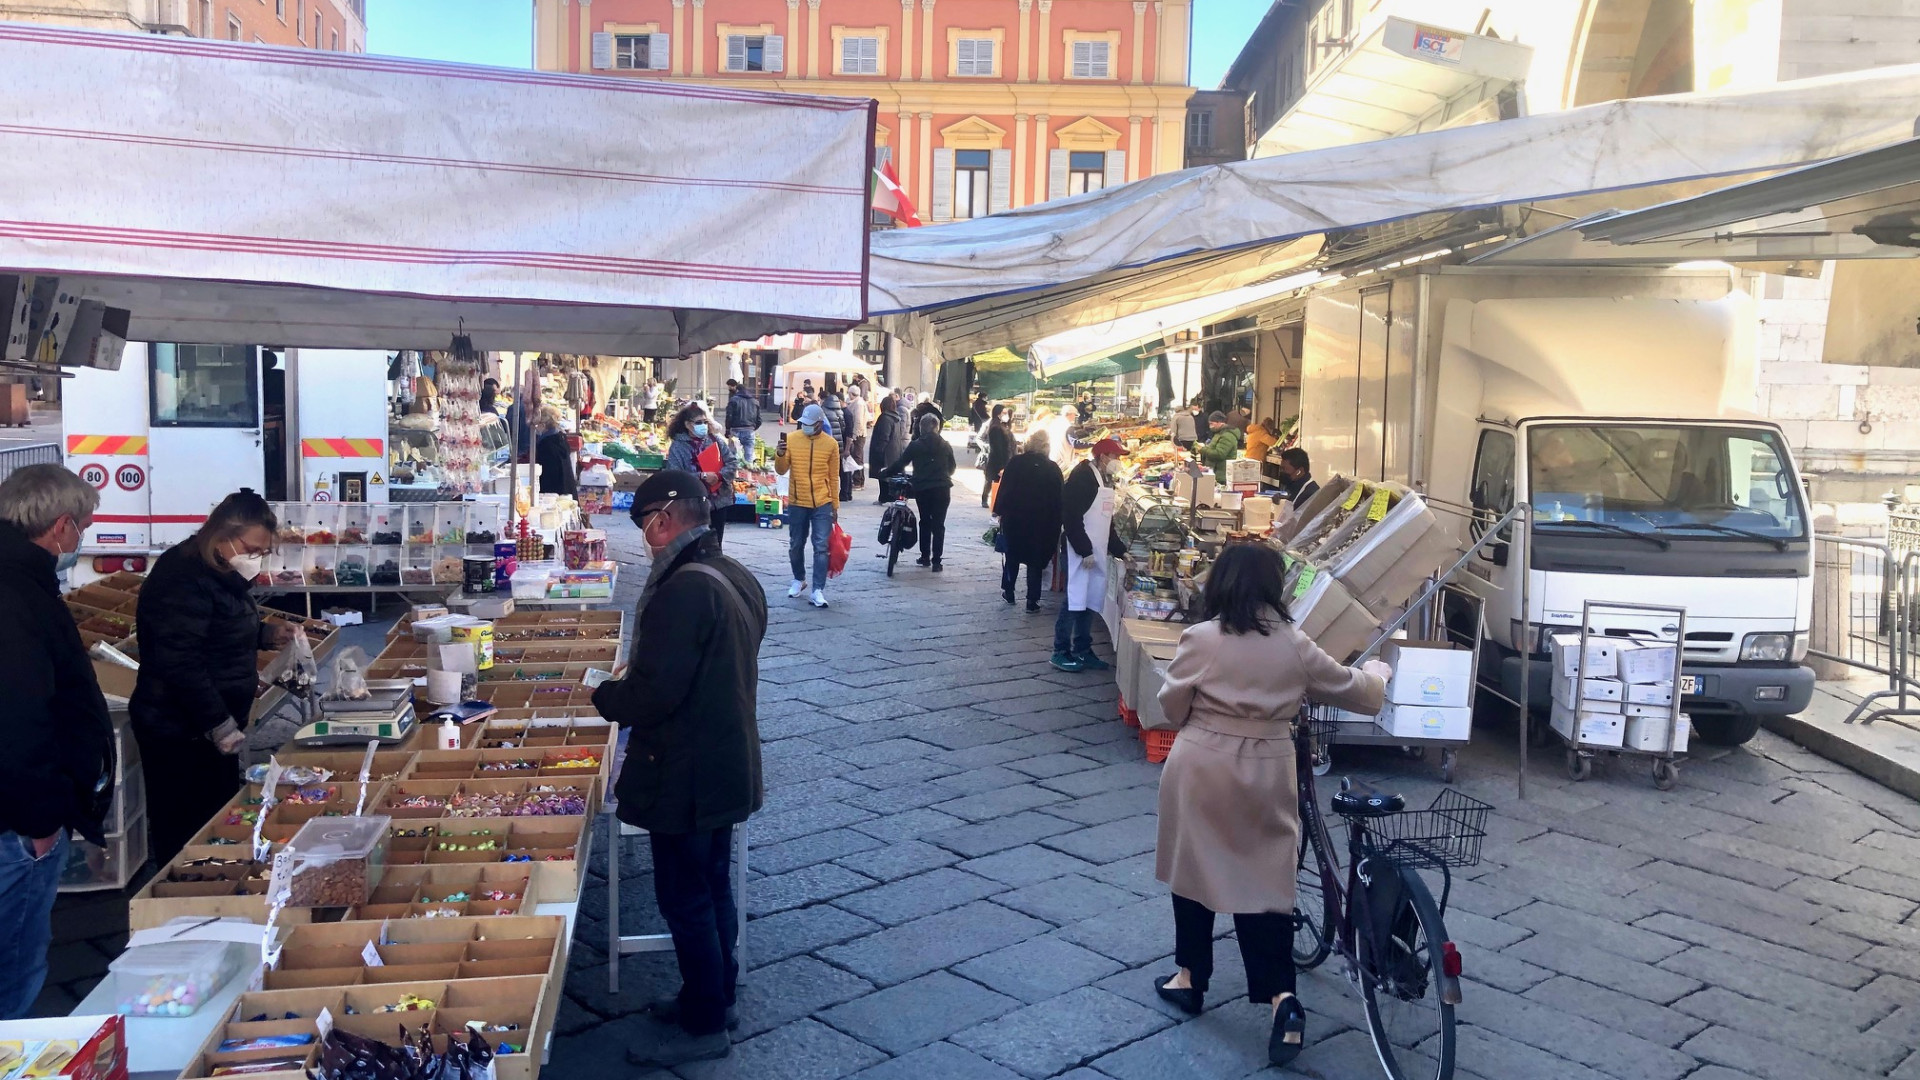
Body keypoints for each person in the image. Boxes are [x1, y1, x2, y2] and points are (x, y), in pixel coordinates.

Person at [1152, 543, 1390, 1067]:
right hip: (1266, 768)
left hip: (1202, 766)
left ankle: (1190, 978)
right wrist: (1379, 673)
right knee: (1266, 884)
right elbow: (1356, 691)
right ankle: (1282, 999)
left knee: (1193, 871)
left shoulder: (1202, 638)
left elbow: (1170, 708)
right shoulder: (1294, 644)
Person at [596, 470, 767, 1068]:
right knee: (712, 884)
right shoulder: (732, 574)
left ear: (665, 521)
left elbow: (653, 695)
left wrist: (603, 697)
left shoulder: (683, 591)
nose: (645, 539)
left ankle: (703, 1024)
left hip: (687, 771)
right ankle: (715, 995)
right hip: (725, 757)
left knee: (686, 895)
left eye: (645, 527)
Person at [0, 466, 113, 1020]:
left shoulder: (19, 580)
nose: (81, 538)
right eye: (83, 526)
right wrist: (41, 821)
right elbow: (21, 717)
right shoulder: (18, 593)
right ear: (62, 527)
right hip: (17, 825)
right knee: (14, 974)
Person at [132, 490, 294, 865]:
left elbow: (219, 628)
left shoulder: (221, 570)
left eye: (262, 552)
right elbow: (179, 661)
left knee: (217, 820)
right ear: (222, 534)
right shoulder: (182, 578)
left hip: (209, 725)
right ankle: (186, 895)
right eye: (252, 549)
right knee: (186, 829)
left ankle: (214, 882)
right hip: (178, 729)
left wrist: (266, 633)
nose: (255, 559)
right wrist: (218, 725)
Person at [1055, 439, 1128, 672]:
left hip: (1095, 549)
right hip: (1079, 549)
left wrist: (1122, 551)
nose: (1118, 462)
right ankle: (1060, 651)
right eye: (1116, 457)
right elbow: (1071, 515)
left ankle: (1083, 649)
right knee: (1074, 600)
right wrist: (1084, 549)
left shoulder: (1103, 478)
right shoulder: (1083, 477)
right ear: (1104, 456)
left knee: (1089, 600)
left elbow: (1108, 522)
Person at [775, 404, 839, 608]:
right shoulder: (792, 440)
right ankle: (798, 579)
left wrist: (835, 506)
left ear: (820, 424)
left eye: (811, 424)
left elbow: (833, 476)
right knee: (796, 544)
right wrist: (780, 454)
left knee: (821, 546)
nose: (806, 427)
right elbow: (781, 469)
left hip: (822, 501)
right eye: (804, 424)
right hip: (797, 500)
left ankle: (818, 589)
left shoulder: (831, 444)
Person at [992, 430, 1063, 612]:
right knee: (1035, 561)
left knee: (1012, 556)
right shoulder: (1052, 468)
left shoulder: (1016, 463)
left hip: (1015, 520)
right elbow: (1058, 500)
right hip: (1041, 523)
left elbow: (1005, 489)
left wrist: (999, 511)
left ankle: (1009, 591)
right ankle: (1032, 601)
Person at [877, 413, 957, 572]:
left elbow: (901, 464)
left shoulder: (916, 445)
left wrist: (885, 473)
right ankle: (937, 562)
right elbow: (952, 467)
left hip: (923, 489)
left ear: (921, 428)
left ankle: (925, 556)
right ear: (937, 428)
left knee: (925, 521)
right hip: (942, 489)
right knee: (939, 525)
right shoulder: (945, 445)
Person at [664, 403, 741, 550]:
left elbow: (732, 462)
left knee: (715, 542)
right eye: (698, 423)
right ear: (687, 424)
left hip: (719, 500)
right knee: (694, 544)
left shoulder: (715, 440)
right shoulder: (678, 446)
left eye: (705, 422)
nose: (703, 426)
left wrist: (719, 476)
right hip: (693, 503)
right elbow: (674, 474)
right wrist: (701, 476)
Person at [867, 395, 909, 506]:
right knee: (890, 475)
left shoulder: (885, 418)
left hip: (885, 452)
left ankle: (886, 497)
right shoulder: (896, 418)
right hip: (894, 451)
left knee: (884, 475)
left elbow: (884, 436)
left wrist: (879, 450)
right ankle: (888, 497)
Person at [535, 406, 579, 497]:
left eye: (537, 424)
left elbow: (547, 475)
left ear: (543, 425)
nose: (536, 427)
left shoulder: (546, 444)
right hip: (567, 489)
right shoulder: (560, 437)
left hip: (555, 493)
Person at [981, 403, 1014, 509]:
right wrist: (1001, 466)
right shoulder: (995, 428)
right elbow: (997, 448)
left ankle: (992, 501)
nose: (1006, 415)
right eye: (1004, 412)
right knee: (992, 481)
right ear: (998, 413)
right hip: (997, 461)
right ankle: (987, 500)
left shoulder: (1002, 426)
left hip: (1002, 460)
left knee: (994, 481)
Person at [1197, 411, 1242, 484]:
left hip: (1221, 475)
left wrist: (1202, 450)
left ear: (1219, 422)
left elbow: (1220, 454)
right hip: (1215, 472)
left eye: (1212, 423)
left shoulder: (1227, 435)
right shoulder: (1219, 433)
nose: (1210, 426)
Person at [723, 379, 760, 450]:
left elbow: (729, 416)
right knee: (749, 454)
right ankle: (749, 461)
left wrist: (727, 429)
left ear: (737, 390)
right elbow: (759, 419)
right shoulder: (755, 401)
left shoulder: (733, 400)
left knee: (734, 454)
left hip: (735, 429)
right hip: (749, 430)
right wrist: (753, 428)